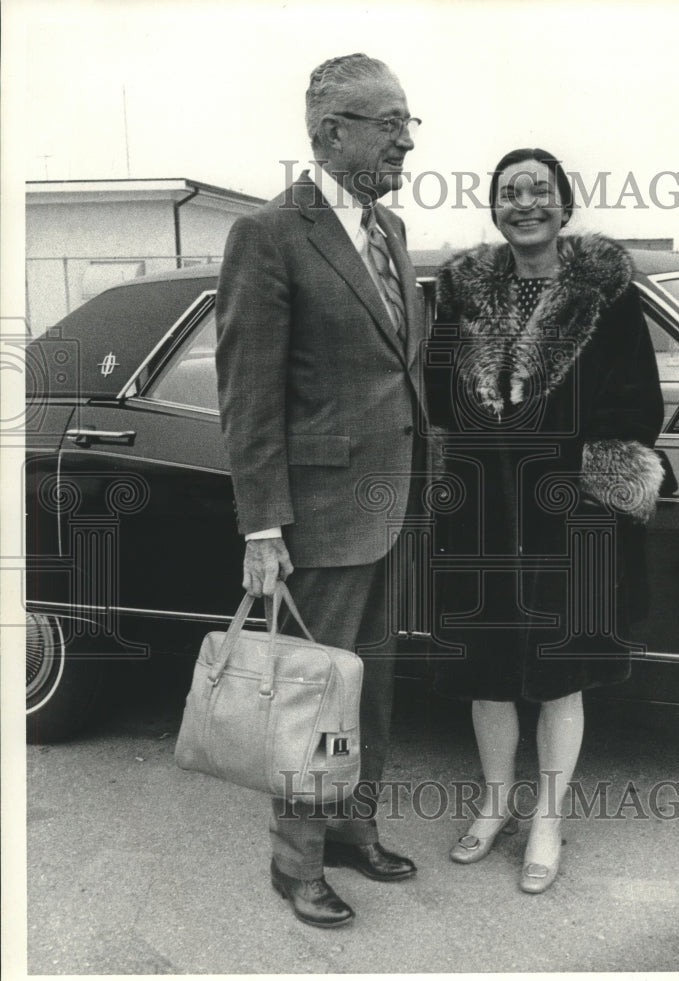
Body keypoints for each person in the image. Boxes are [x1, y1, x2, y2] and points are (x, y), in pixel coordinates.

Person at [215, 54, 429, 928]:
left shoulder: (389, 229)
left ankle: (350, 828)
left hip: (389, 510)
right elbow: (248, 392)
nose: (406, 141)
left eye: (409, 124)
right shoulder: (269, 234)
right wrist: (262, 526)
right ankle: (294, 861)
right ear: (331, 132)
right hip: (318, 518)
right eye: (390, 124)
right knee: (311, 694)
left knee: (369, 689)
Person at [426, 148, 665, 894]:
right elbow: (436, 393)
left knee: (562, 677)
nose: (524, 203)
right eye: (509, 192)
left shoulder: (608, 295)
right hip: (482, 512)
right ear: (494, 208)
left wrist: (582, 482)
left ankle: (548, 821)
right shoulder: (461, 292)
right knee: (487, 673)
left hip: (570, 514)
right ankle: (495, 803)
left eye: (539, 191)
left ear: (564, 205)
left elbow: (636, 405)